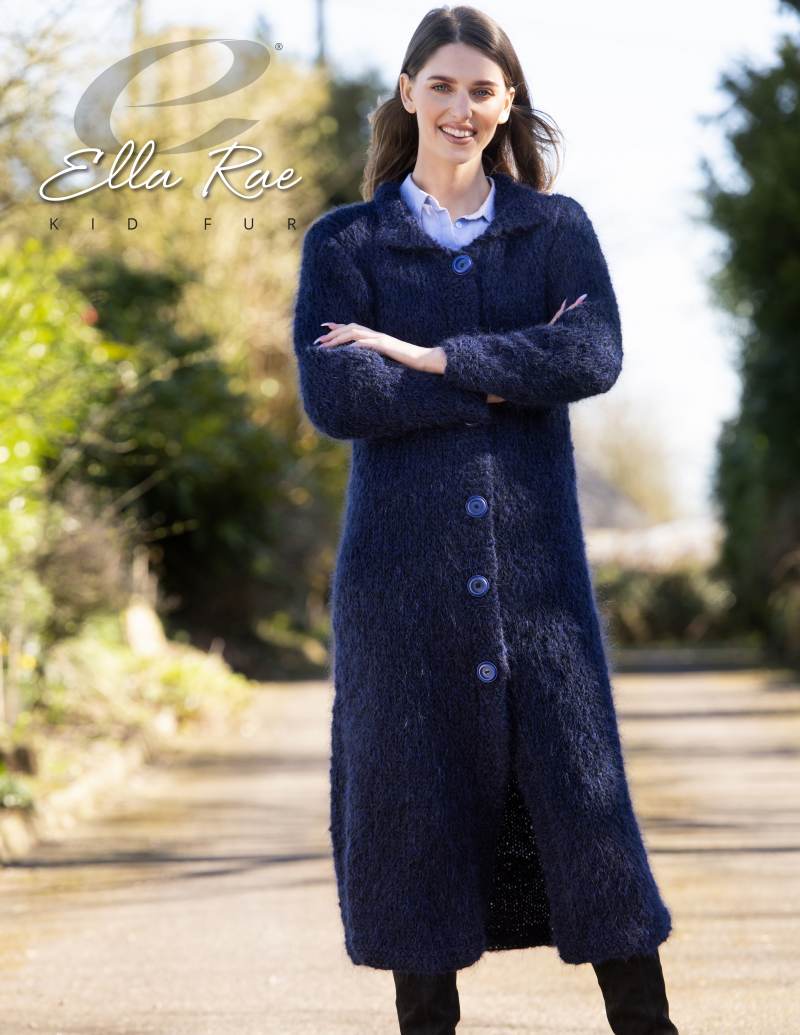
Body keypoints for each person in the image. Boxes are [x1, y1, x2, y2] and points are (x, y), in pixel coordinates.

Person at [292, 5, 681, 1033]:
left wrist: (428, 356)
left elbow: (591, 355)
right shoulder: (346, 241)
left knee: (588, 826)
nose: (460, 108)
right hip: (398, 594)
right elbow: (338, 394)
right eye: (443, 86)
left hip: (539, 589)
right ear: (407, 93)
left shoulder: (553, 230)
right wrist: (513, 374)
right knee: (412, 834)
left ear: (507, 105)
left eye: (481, 90)